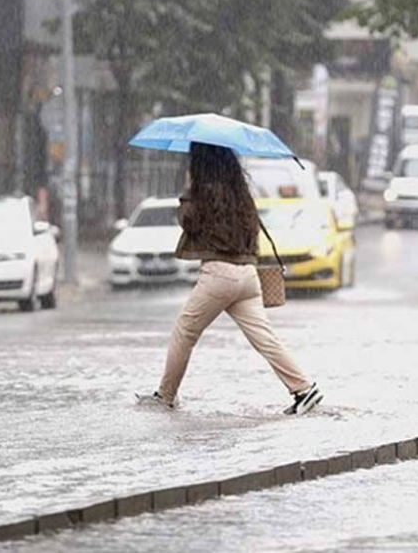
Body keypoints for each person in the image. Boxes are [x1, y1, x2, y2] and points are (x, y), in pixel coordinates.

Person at [136, 142, 323, 415]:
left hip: (219, 274)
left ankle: (165, 395)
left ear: (200, 162)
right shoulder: (240, 193)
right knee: (265, 338)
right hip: (248, 275)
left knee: (185, 331)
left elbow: (188, 221)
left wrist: (190, 188)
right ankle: (304, 388)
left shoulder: (203, 193)